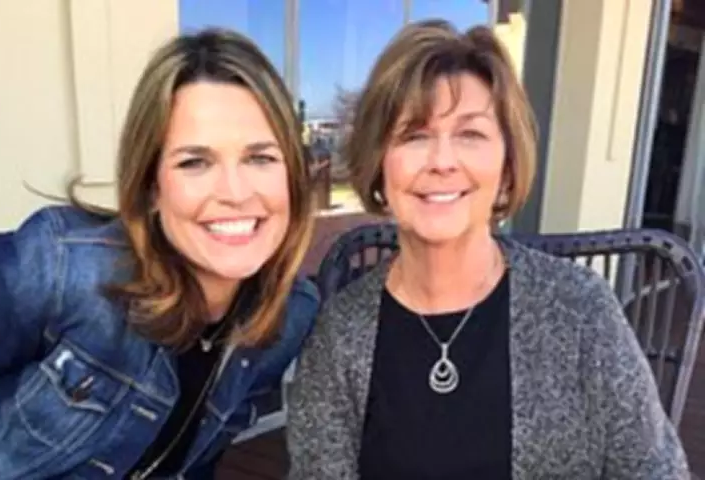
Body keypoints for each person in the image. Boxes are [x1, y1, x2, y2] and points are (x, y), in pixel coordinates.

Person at [0, 28, 319, 479]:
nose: (235, 193)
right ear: (151, 186)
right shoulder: (60, 269)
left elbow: (194, 460)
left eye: (260, 158)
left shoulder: (289, 316)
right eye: (194, 162)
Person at [287, 19, 690, 480]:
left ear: (506, 166)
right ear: (380, 165)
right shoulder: (339, 336)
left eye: (470, 134)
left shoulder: (580, 311)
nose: (442, 161)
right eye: (414, 135)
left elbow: (656, 471)